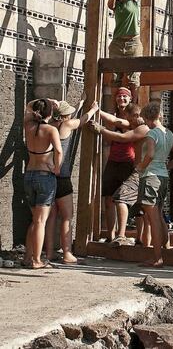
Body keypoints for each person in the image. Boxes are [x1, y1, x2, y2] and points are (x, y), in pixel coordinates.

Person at [45, 97, 99, 263]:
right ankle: (67, 253)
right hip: (62, 176)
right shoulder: (67, 125)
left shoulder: (49, 127)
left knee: (51, 217)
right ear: (66, 115)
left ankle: (49, 253)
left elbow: (69, 116)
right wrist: (93, 109)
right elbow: (82, 120)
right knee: (67, 216)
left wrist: (79, 105)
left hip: (47, 176)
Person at [90, 102, 151, 247]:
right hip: (139, 169)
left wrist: (101, 129)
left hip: (138, 170)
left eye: (132, 118)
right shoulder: (135, 124)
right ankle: (144, 243)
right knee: (144, 207)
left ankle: (126, 236)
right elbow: (114, 120)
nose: (130, 122)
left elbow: (123, 138)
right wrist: (96, 110)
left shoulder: (143, 128)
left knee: (125, 199)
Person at [137, 101, 173, 267]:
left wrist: (140, 167)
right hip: (163, 177)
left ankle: (157, 258)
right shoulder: (169, 133)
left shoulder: (152, 134)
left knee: (153, 219)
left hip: (150, 176)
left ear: (149, 118)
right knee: (159, 215)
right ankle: (165, 248)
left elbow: (149, 154)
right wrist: (166, 166)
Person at [23, 98, 63, 269]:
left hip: (29, 175)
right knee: (40, 221)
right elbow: (59, 151)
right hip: (45, 176)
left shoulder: (28, 127)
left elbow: (27, 107)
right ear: (50, 113)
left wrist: (42, 102)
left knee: (35, 220)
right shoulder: (51, 129)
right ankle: (37, 260)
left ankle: (27, 257)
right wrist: (57, 168)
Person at [100, 87, 135, 242]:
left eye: (124, 97)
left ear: (130, 99)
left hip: (128, 162)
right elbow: (110, 138)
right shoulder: (112, 116)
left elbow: (117, 122)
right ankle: (110, 235)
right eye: (119, 96)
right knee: (108, 199)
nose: (121, 99)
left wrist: (95, 110)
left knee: (123, 199)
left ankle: (122, 234)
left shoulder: (133, 118)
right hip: (113, 161)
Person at [108, 0, 142, 102]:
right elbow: (110, 5)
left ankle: (134, 107)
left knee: (133, 78)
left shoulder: (132, 0)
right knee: (115, 76)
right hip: (117, 43)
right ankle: (114, 107)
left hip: (133, 42)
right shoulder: (118, 3)